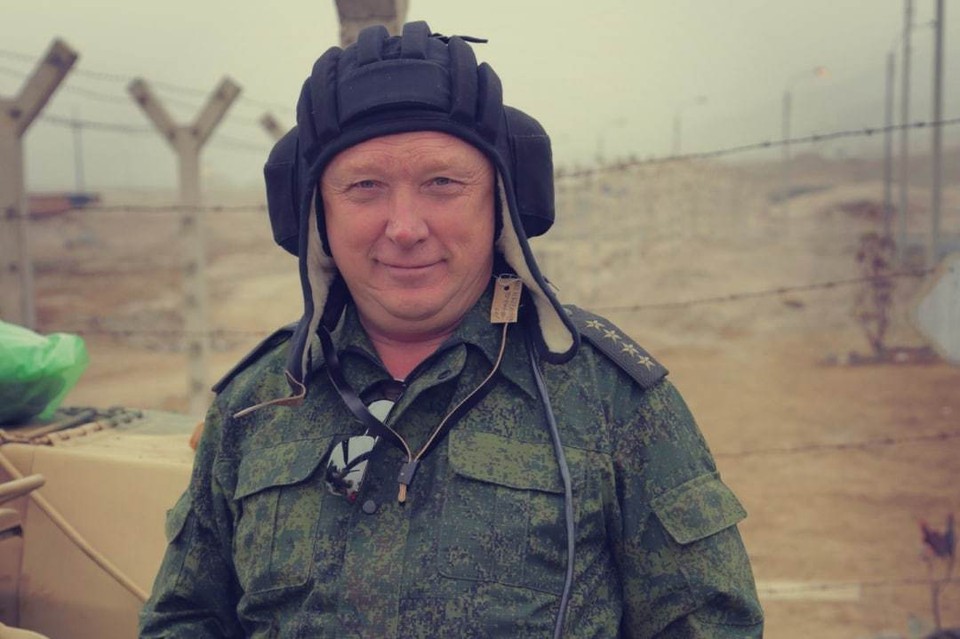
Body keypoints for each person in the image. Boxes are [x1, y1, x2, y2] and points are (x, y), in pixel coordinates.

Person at [139, 21, 763, 638]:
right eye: (365, 187)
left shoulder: (608, 397)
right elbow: (185, 617)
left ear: (502, 204)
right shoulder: (258, 403)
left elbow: (712, 625)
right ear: (316, 217)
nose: (405, 228)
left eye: (442, 183)